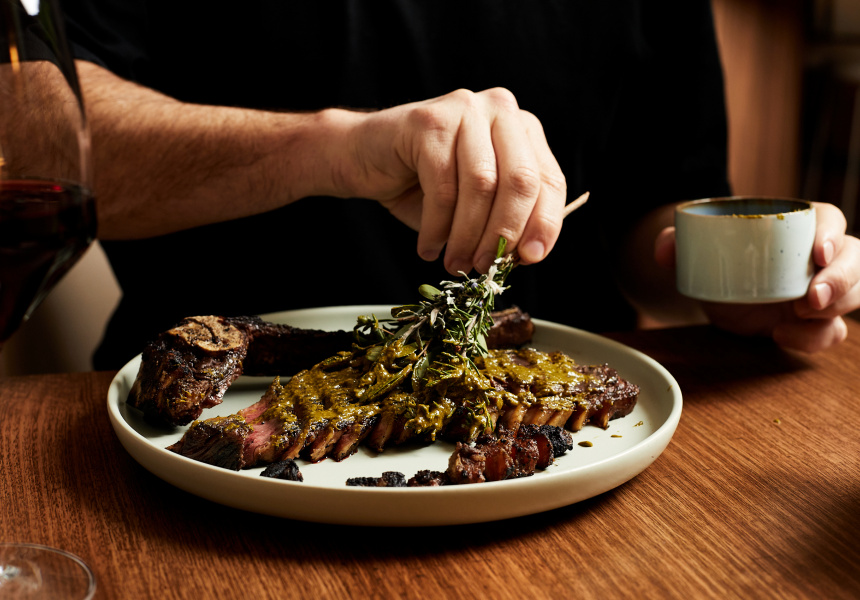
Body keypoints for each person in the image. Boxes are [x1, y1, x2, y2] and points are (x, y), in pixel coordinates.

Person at [59, 1, 860, 370]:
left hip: (568, 445)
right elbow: (31, 146)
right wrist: (332, 149)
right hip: (188, 423)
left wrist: (743, 283)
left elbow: (653, 218)